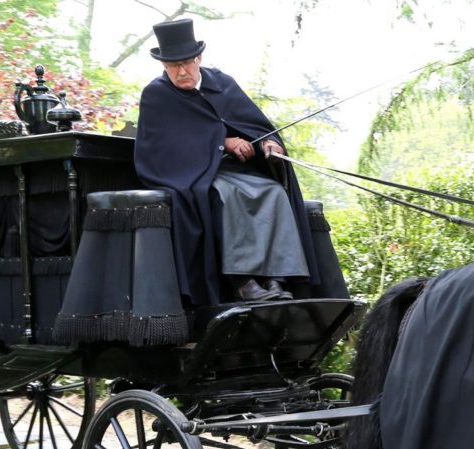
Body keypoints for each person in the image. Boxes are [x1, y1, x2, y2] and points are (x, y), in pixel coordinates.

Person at [134, 18, 346, 305]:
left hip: (237, 170)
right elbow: (161, 148)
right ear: (163, 66)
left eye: (186, 63)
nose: (181, 71)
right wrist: (224, 142)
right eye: (173, 66)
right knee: (227, 195)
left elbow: (254, 124)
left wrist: (268, 143)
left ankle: (276, 278)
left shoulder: (222, 83)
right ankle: (243, 282)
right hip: (192, 173)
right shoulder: (157, 94)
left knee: (273, 192)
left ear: (199, 58)